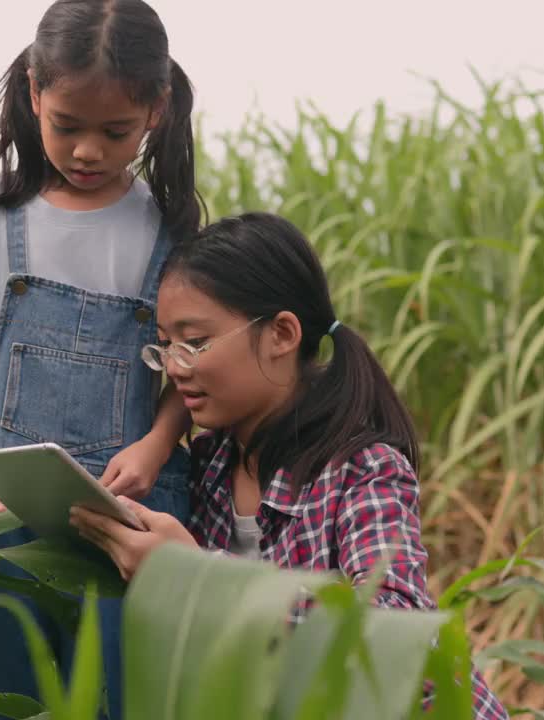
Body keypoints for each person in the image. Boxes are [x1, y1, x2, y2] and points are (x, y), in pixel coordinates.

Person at [69, 212, 509, 719]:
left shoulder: (363, 470)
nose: (174, 367)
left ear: (281, 334)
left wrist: (201, 579)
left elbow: (397, 637)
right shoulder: (209, 469)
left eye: (194, 343)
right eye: (165, 346)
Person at [0, 1, 201, 717]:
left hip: (124, 519)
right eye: (67, 126)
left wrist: (158, 444)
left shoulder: (170, 228)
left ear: (156, 111)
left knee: (120, 698)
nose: (88, 151)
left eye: (115, 132)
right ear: (35, 92)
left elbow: (186, 372)